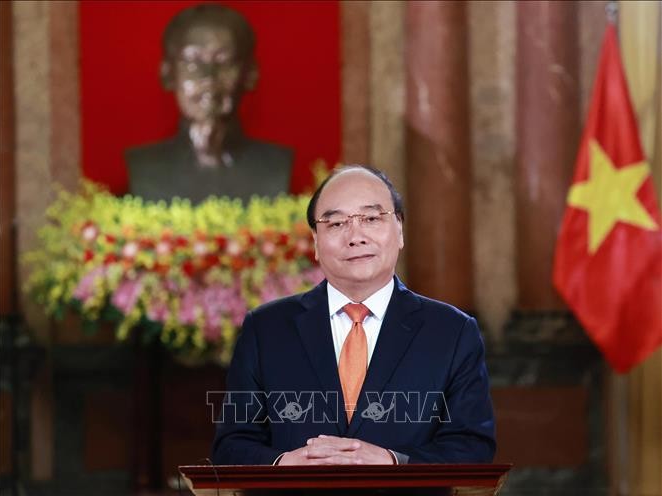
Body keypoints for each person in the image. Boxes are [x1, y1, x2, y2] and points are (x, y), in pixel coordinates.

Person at [211, 165, 495, 465]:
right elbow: (231, 445)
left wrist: (393, 461)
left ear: (399, 230)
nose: (355, 236)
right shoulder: (266, 329)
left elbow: (472, 446)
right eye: (335, 224)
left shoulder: (451, 332)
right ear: (316, 241)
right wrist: (284, 464)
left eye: (371, 218)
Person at [126, 3, 293, 204]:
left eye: (224, 62)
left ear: (250, 74)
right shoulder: (144, 167)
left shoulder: (275, 165)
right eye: (192, 62)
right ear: (168, 75)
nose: (208, 77)